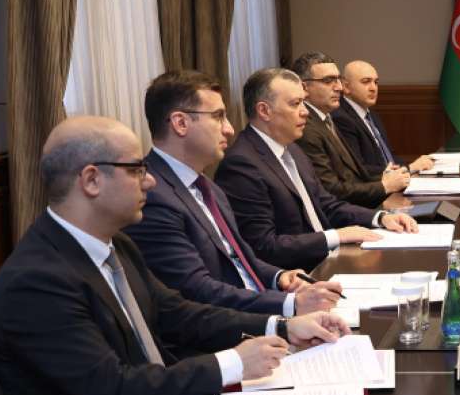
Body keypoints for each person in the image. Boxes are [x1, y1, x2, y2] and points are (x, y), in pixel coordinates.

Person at [0, 116, 349, 395]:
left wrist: (281, 326)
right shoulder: (38, 281)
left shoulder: (115, 245)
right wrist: (233, 363)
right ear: (91, 180)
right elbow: (114, 391)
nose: (151, 181)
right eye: (136, 169)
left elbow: (179, 313)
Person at [126, 70, 343, 317]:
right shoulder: (152, 196)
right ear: (180, 123)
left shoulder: (208, 187)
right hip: (228, 327)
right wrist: (289, 305)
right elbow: (197, 290)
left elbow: (239, 259)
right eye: (218, 116)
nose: (229, 129)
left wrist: (280, 277)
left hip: (259, 309)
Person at [214, 68, 418, 270]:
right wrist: (336, 236)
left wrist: (380, 218)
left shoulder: (293, 149)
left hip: (330, 259)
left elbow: (326, 204)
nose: (305, 111)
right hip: (301, 275)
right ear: (264, 111)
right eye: (295, 104)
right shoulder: (241, 164)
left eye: (303, 102)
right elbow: (264, 246)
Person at [291, 51, 406, 206]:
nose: (339, 87)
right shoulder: (305, 128)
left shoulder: (326, 118)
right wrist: (384, 186)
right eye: (328, 81)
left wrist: (386, 178)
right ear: (304, 88)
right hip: (344, 213)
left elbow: (353, 175)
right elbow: (331, 190)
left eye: (338, 79)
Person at [334, 59, 435, 178]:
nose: (373, 88)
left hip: (393, 181)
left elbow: (389, 158)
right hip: (375, 186)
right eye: (366, 82)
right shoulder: (342, 118)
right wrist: (410, 168)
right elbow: (358, 169)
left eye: (376, 82)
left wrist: (411, 170)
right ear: (346, 87)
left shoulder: (371, 114)